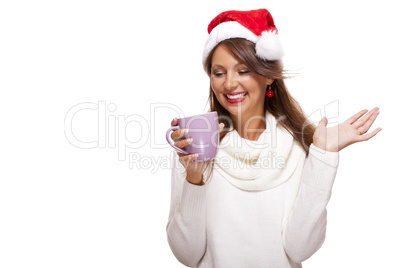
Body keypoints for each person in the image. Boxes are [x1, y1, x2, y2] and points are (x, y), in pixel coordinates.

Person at [166, 9, 381, 268]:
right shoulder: (193, 149)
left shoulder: (296, 147)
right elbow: (187, 255)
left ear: (269, 75)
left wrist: (323, 153)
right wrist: (194, 177)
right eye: (219, 72)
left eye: (243, 70)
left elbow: (299, 248)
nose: (229, 83)